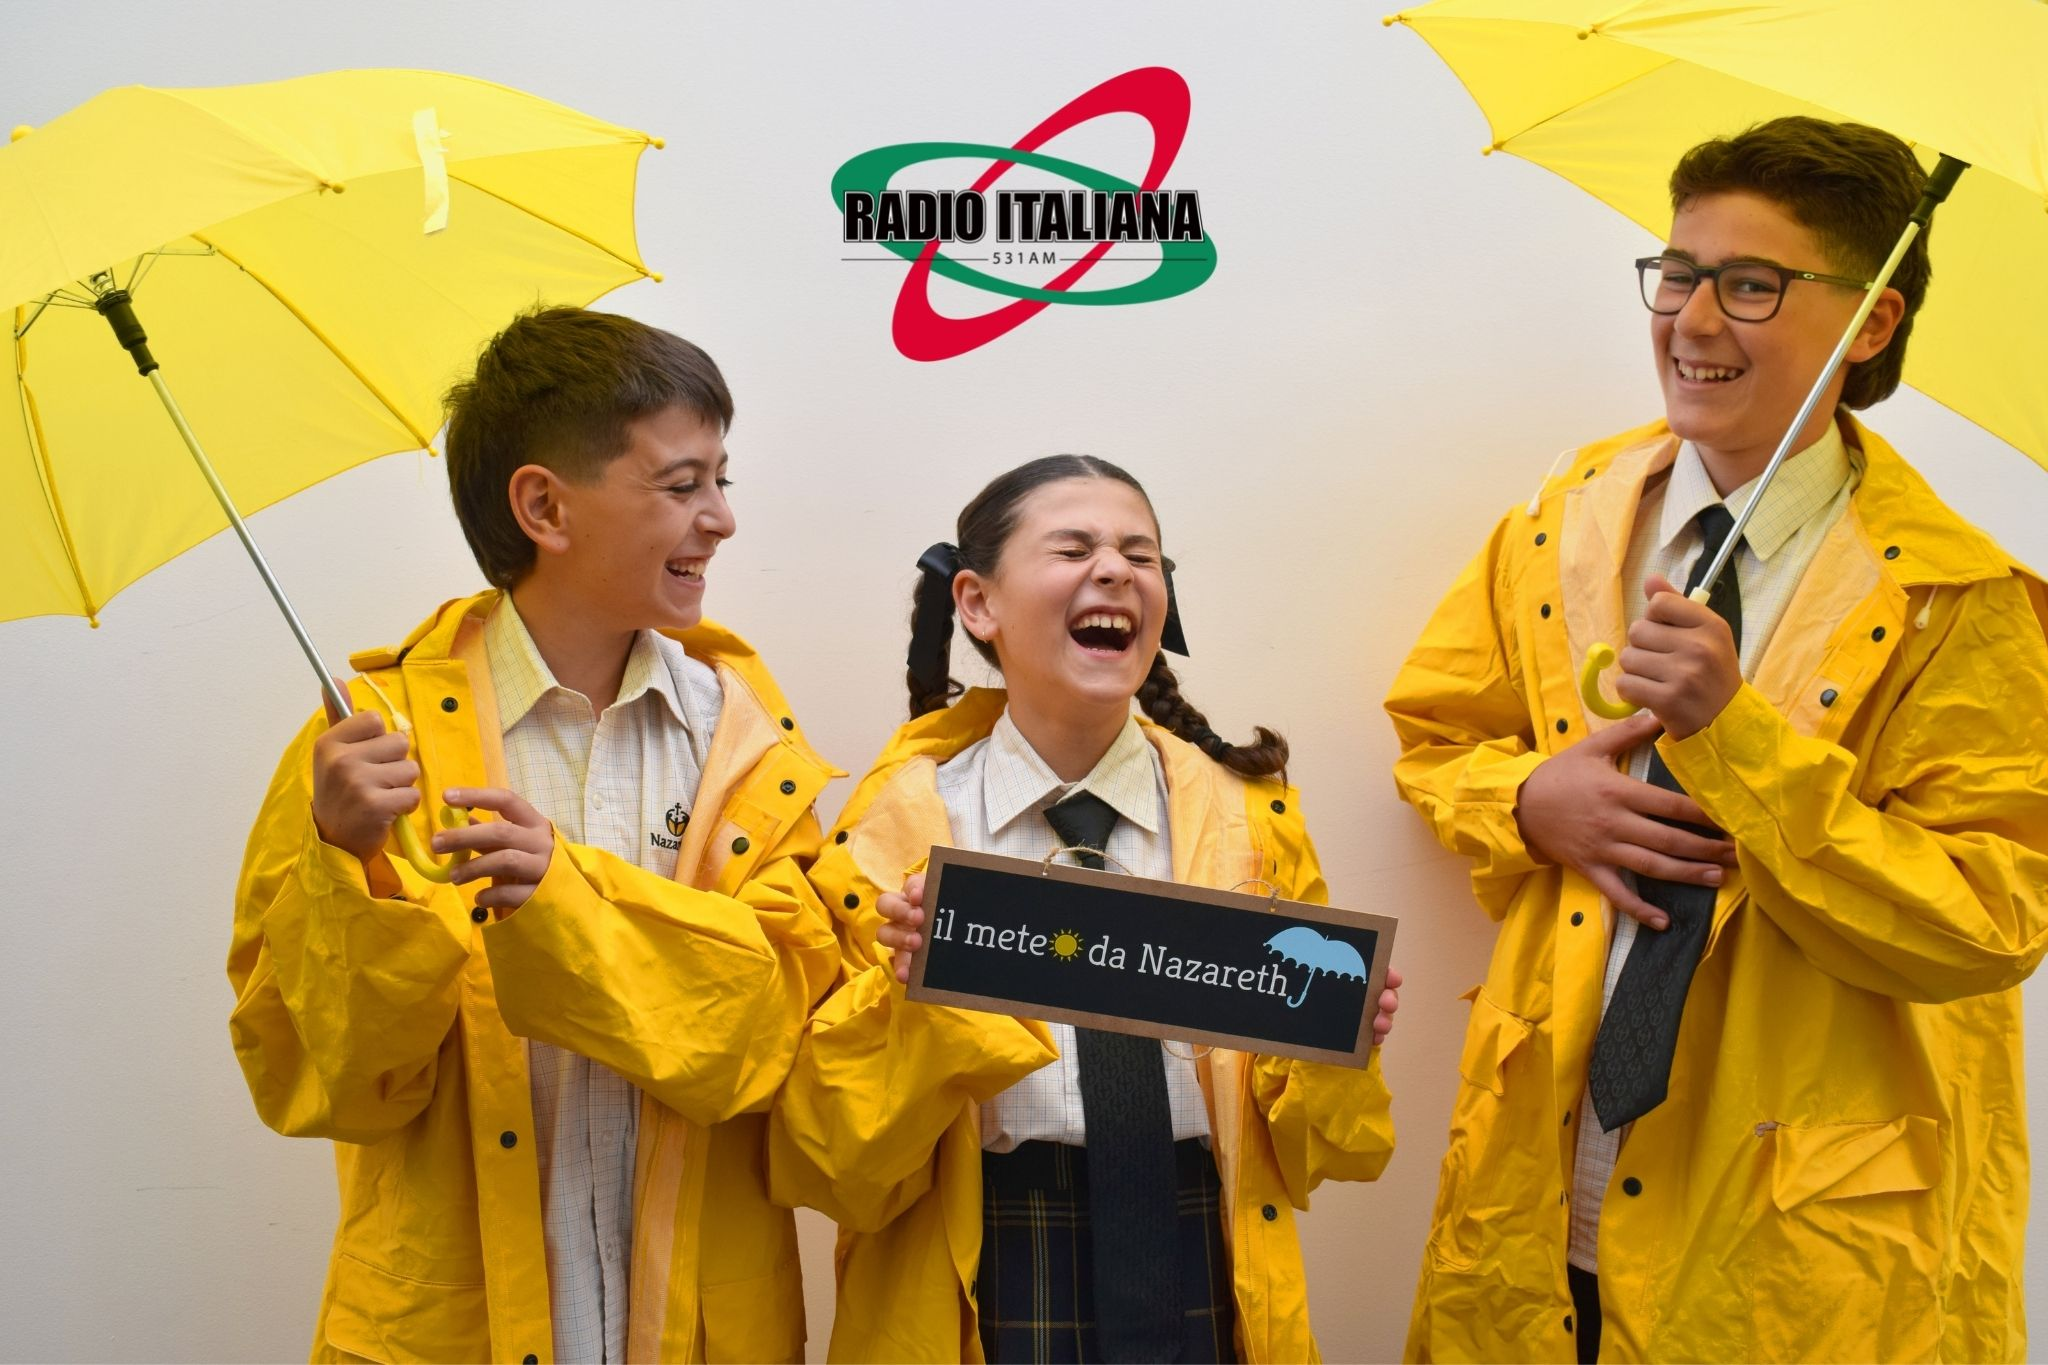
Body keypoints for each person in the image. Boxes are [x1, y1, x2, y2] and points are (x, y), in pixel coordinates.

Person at [1389, 117, 2048, 1363]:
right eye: (1676, 273)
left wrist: (1734, 733)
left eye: (1751, 285)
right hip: (1540, 1186)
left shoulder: (1960, 602)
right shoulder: (1564, 520)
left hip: (1792, 1243)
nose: (1690, 320)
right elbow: (1437, 735)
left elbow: (1985, 920)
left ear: (1870, 322)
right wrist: (1529, 802)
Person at [227, 308, 839, 1363]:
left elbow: (772, 1038)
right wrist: (350, 865)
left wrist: (567, 899)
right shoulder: (366, 751)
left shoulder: (746, 745)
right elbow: (330, 1082)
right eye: (683, 484)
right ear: (545, 507)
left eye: (722, 479)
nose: (723, 519)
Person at [769, 454, 1400, 1362]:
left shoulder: (1249, 826)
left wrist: (1338, 1046)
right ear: (978, 603)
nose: (1115, 570)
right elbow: (833, 1165)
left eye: (1141, 555)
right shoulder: (893, 839)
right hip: (989, 1265)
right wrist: (908, 1007)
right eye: (1074, 549)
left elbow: (1324, 1152)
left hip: (1204, 1255)